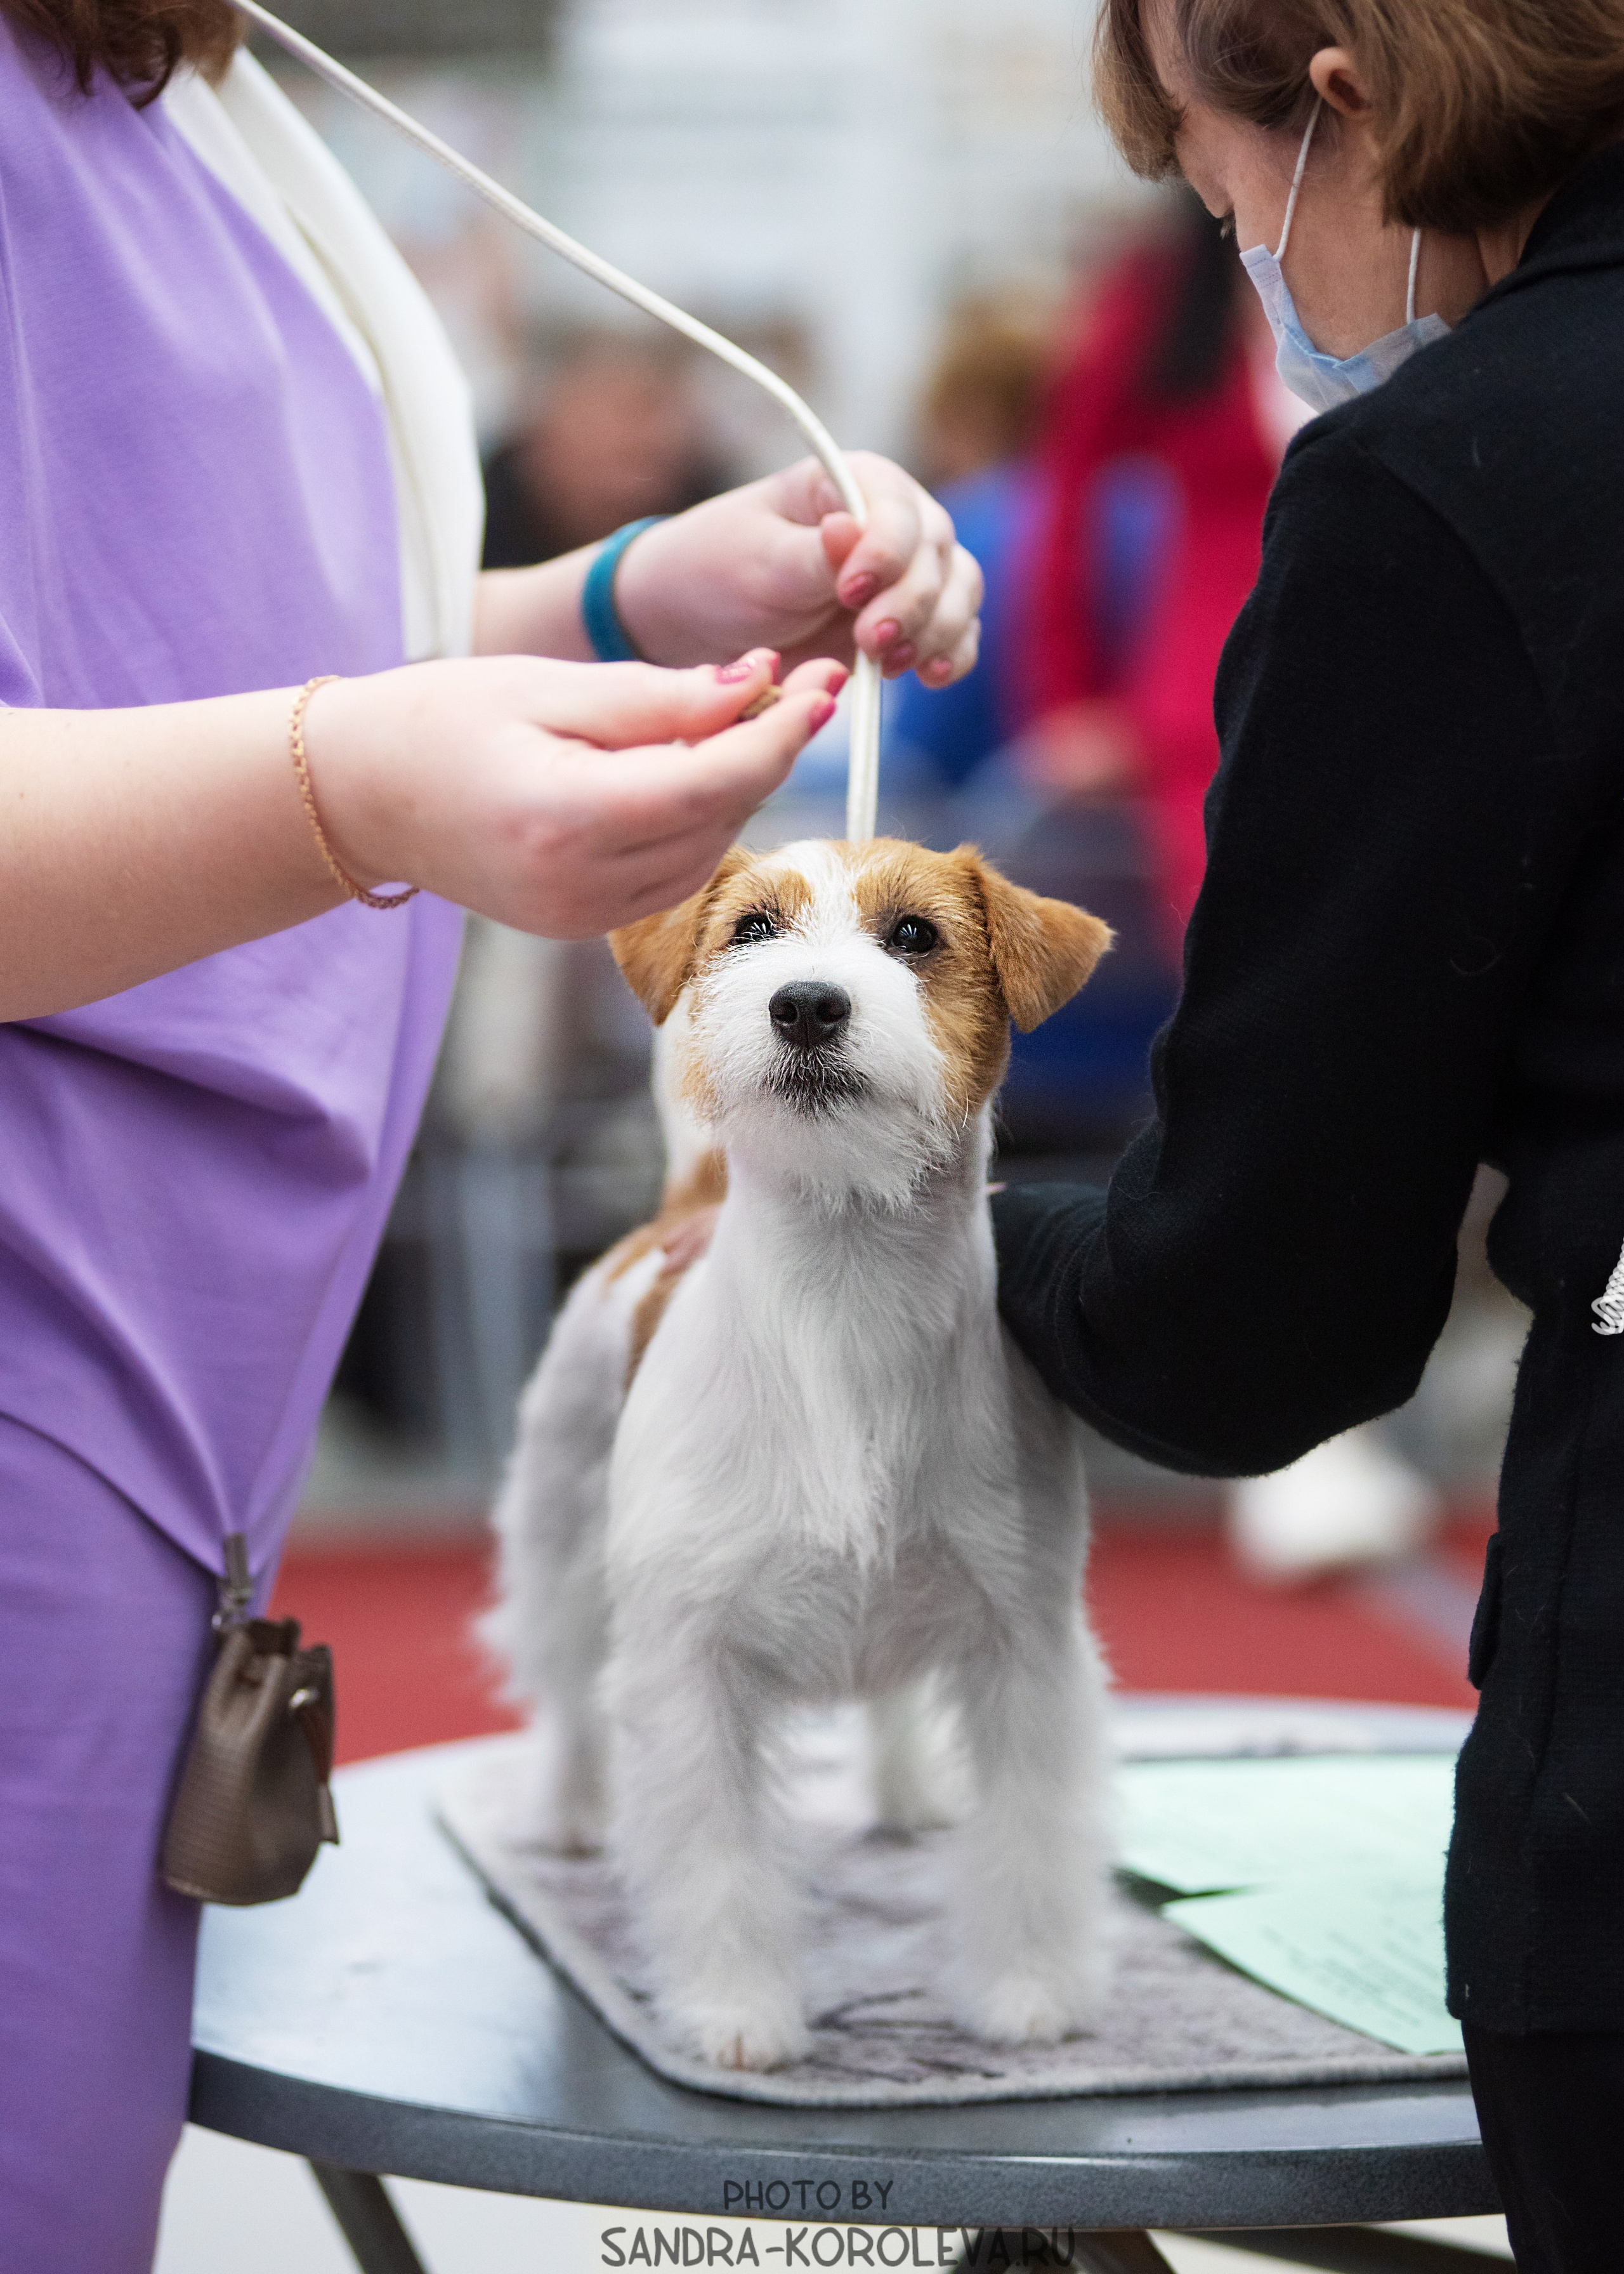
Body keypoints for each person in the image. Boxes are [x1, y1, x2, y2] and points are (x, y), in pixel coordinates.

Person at [0, 4, 979, 2266]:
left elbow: (206, 642)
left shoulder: (182, 92)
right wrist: (363, 795)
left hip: (159, 1429)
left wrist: (635, 598)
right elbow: (294, 729)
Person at [989, 1, 1624, 2264]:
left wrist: (959, 1237)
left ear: (1330, 102)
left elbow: (1249, 1310)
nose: (1222, 239)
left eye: (1200, 167)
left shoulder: (1445, 477)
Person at [481, 329, 733, 572]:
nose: (641, 438)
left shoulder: (716, 519)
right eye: (618, 412)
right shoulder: (477, 521)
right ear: (545, 427)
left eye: (651, 411)